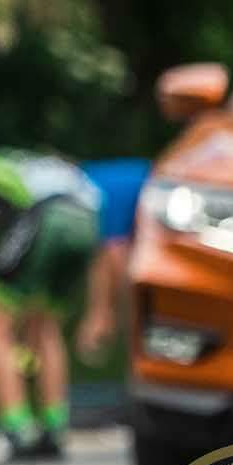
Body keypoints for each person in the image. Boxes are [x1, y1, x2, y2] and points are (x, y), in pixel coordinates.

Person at [0, 139, 102, 464]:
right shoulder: (41, 165)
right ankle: (54, 427)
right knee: (45, 326)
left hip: (47, 217)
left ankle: (16, 428)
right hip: (87, 222)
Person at [76, 155, 151, 362]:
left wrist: (102, 313)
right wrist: (101, 310)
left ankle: (140, 342)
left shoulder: (93, 194)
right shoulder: (94, 184)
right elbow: (102, 259)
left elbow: (114, 254)